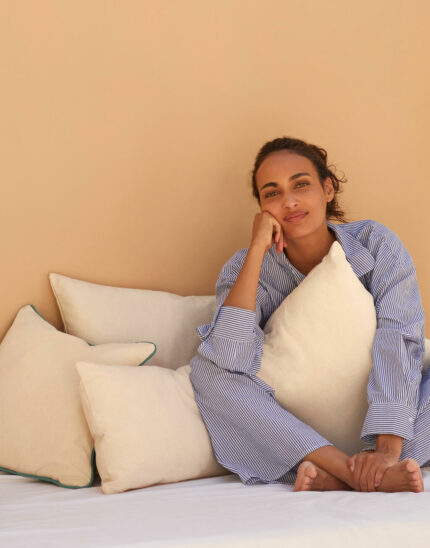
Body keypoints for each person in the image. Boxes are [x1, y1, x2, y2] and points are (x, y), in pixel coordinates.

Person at [189, 136, 429, 493]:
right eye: (272, 193)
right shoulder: (244, 268)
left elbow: (400, 339)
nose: (289, 201)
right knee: (209, 372)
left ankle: (350, 474)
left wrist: (387, 451)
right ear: (261, 209)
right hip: (299, 435)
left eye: (301, 185)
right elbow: (229, 356)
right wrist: (256, 249)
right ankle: (347, 471)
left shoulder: (377, 244)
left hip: (395, 428)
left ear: (327, 189)